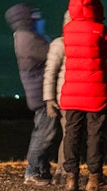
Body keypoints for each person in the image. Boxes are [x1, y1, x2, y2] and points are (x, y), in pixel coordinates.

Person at [60, 0, 107, 191]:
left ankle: (71, 178)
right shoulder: (100, 29)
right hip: (96, 90)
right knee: (95, 134)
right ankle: (95, 179)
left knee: (72, 132)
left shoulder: (67, 30)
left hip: (72, 89)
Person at [6, 3, 60, 186]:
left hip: (38, 92)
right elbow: (53, 53)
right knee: (44, 134)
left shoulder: (24, 36)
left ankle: (42, 169)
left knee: (43, 131)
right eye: (33, 15)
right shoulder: (28, 38)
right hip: (42, 94)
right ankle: (32, 171)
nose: (38, 17)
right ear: (25, 18)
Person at [44, 11, 70, 184]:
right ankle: (62, 171)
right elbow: (50, 73)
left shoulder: (62, 43)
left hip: (70, 96)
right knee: (69, 136)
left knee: (70, 136)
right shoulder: (60, 43)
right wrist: (49, 99)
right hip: (65, 98)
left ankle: (65, 171)